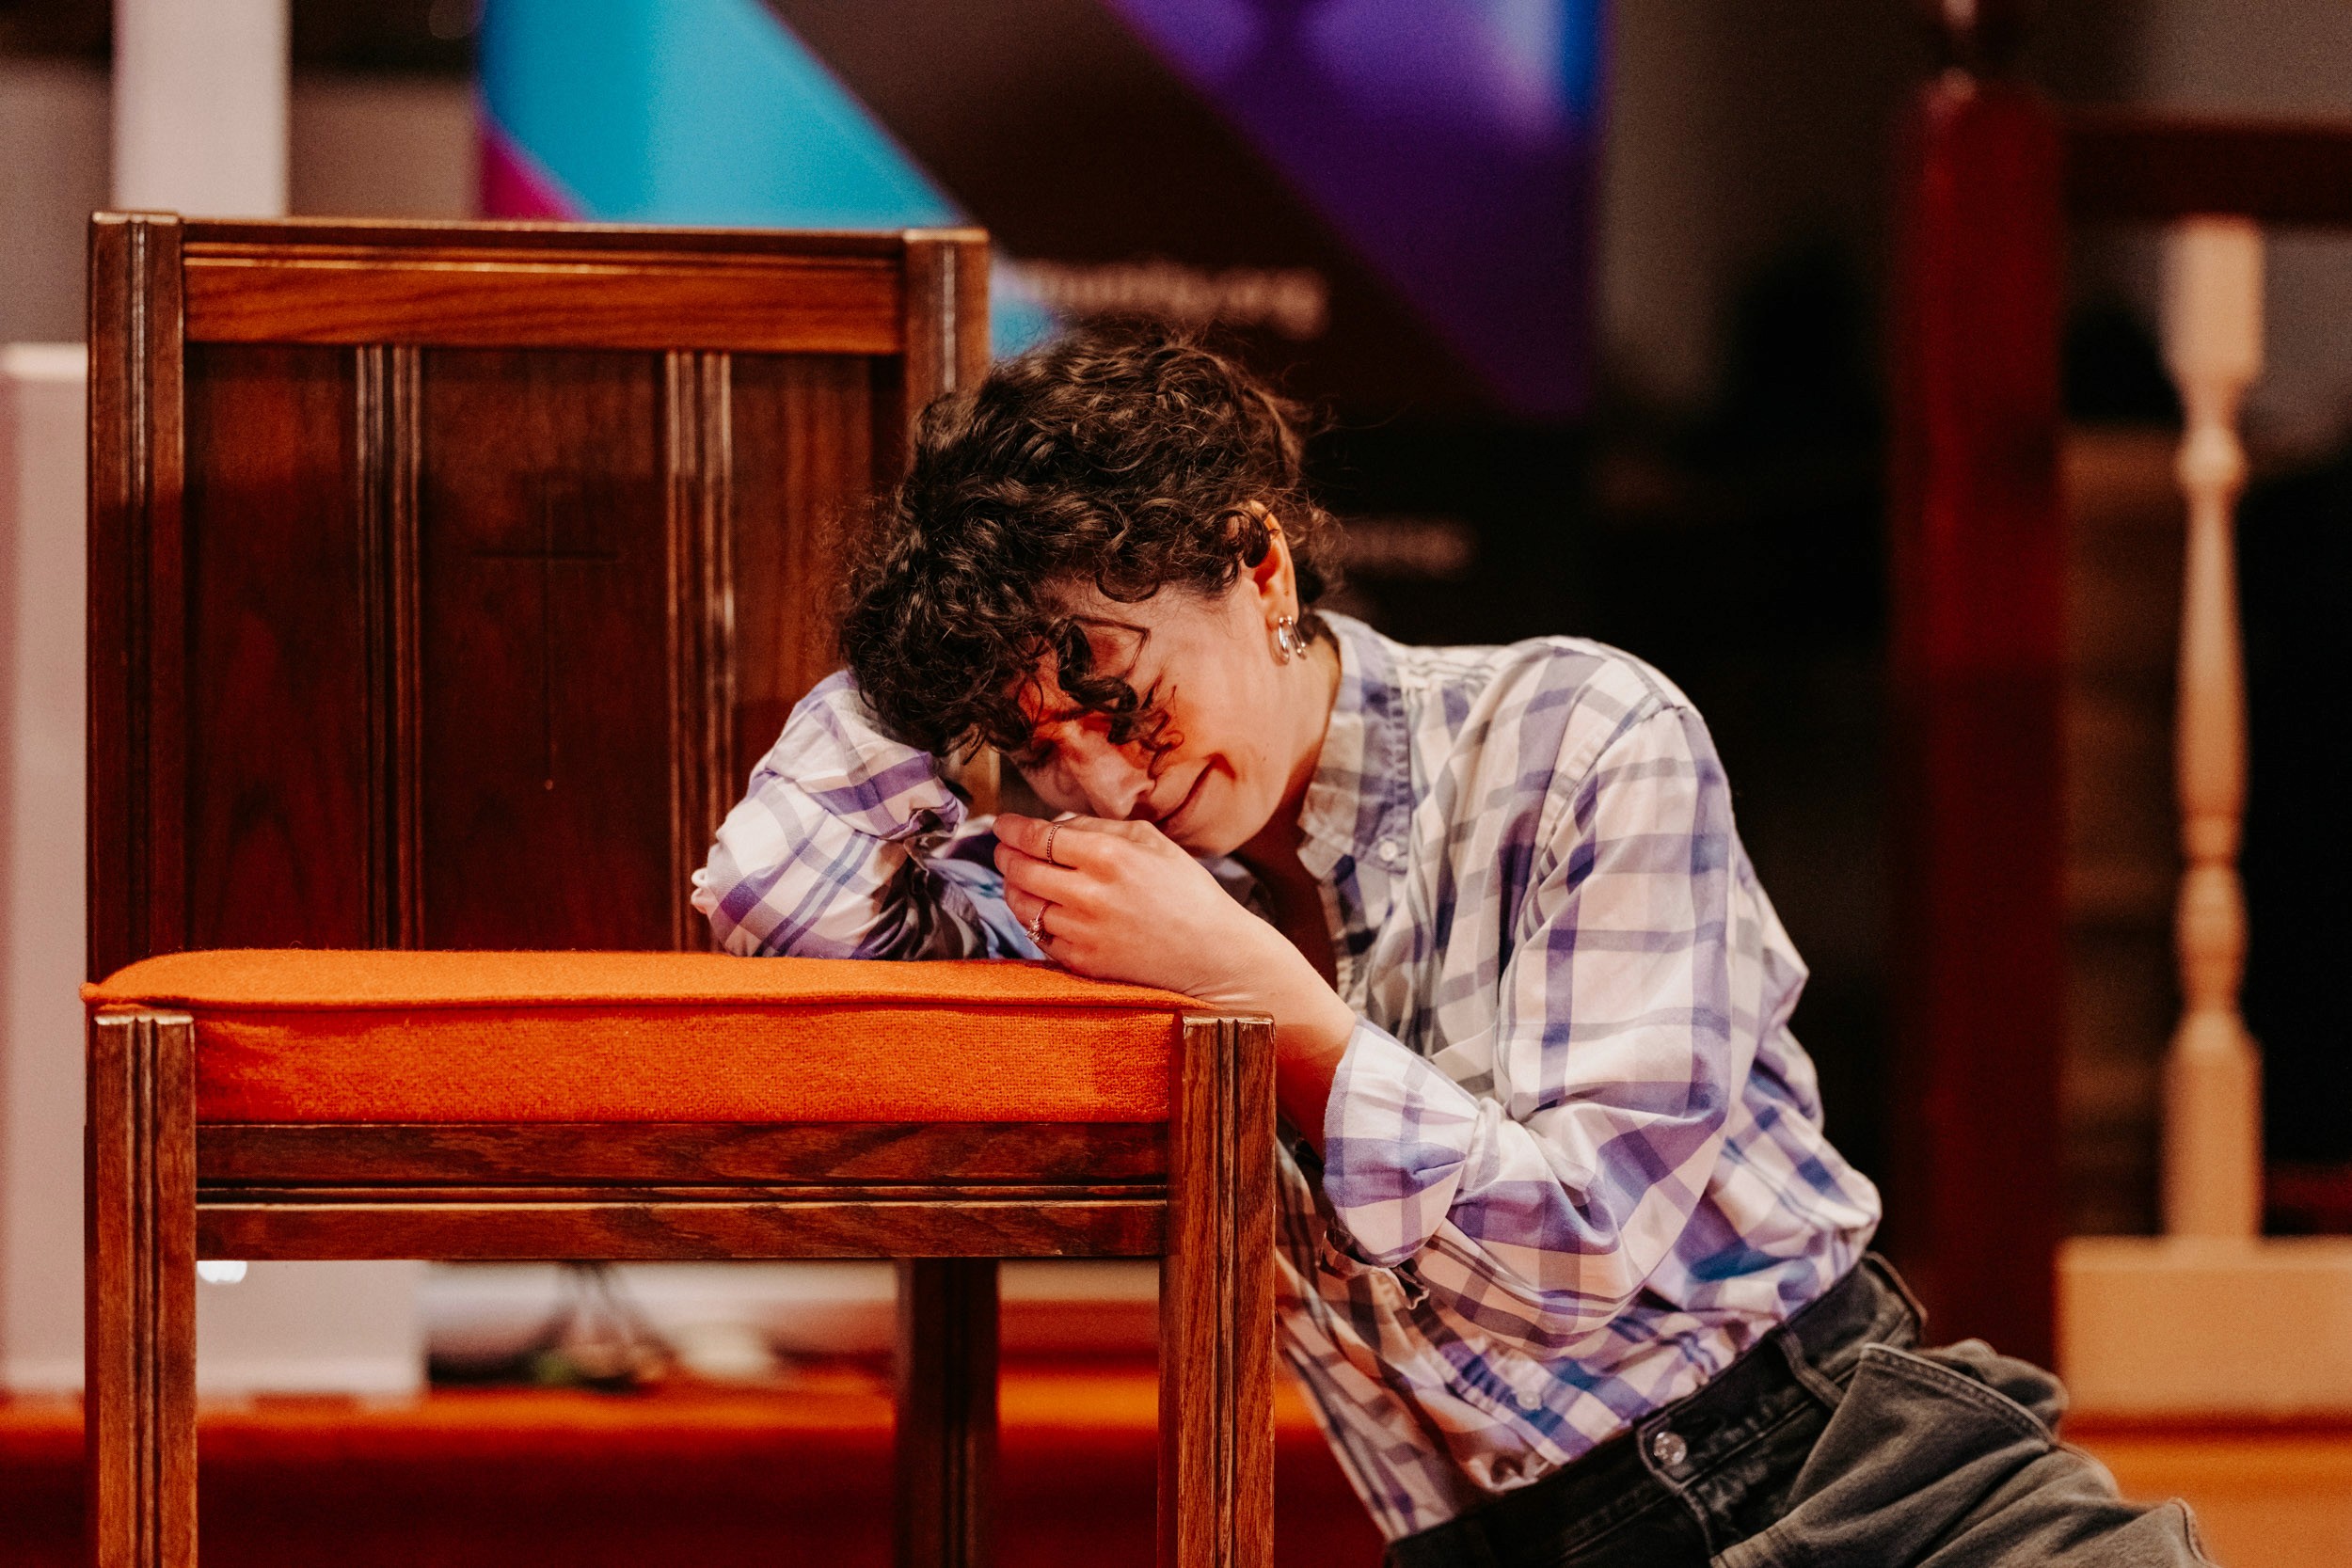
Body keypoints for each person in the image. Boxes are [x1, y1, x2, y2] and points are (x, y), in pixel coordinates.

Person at [691, 330, 2210, 1567]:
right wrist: (926, 659)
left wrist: (1271, 1007)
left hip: (1840, 1473)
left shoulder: (1577, 736)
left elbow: (1579, 1257)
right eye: (1030, 742)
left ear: (1260, 571)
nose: (1099, 779)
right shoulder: (1094, 896)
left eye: (1119, 697)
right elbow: (773, 898)